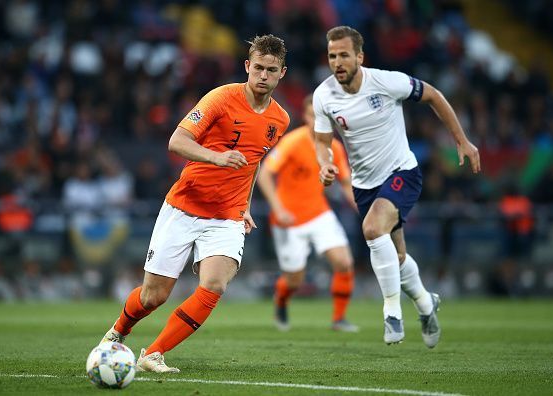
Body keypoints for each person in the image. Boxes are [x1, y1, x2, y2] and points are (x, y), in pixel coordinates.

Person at [100, 34, 290, 372]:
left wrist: (244, 204)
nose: (263, 75)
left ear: (281, 73)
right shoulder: (220, 98)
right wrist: (216, 159)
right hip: (184, 207)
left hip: (227, 216)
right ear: (247, 66)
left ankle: (153, 354)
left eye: (270, 70)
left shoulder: (280, 120)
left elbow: (255, 158)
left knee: (215, 284)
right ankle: (118, 331)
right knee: (152, 297)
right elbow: (177, 141)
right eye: (257, 67)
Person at [313, 26, 481, 348]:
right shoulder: (324, 95)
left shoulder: (387, 82)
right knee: (398, 256)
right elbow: (322, 142)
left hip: (401, 171)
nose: (337, 62)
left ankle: (392, 312)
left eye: (344, 55)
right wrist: (325, 163)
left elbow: (433, 94)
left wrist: (462, 140)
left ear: (359, 56)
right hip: (364, 185)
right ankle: (426, 303)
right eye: (332, 56)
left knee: (373, 229)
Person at [258, 95, 359, 333]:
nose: (317, 120)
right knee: (295, 279)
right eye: (313, 115)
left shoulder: (334, 147)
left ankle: (339, 318)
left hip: (318, 213)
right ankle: (281, 300)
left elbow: (346, 183)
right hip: (289, 220)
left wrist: (365, 210)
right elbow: (264, 174)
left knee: (344, 262)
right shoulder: (292, 142)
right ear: (305, 116)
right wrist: (279, 209)